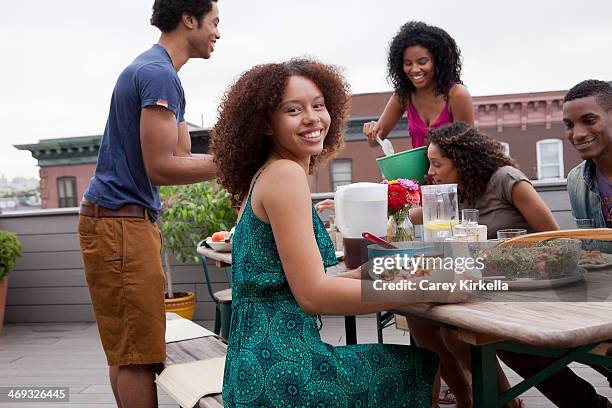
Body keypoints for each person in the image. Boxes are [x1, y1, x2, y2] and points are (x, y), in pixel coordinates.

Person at [210, 58, 476, 407]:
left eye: (318, 105)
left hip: (251, 370)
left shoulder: (263, 175)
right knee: (419, 364)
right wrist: (426, 286)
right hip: (287, 373)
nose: (312, 118)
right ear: (266, 124)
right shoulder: (285, 175)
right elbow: (313, 296)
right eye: (293, 109)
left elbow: (291, 283)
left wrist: (378, 270)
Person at [77, 1, 220, 407]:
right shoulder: (157, 73)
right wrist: (235, 163)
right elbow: (161, 166)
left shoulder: (159, 73)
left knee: (127, 350)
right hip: (121, 225)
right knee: (140, 356)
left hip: (117, 223)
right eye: (214, 22)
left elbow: (180, 151)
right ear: (189, 19)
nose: (218, 33)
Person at [363, 21, 474, 150]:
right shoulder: (403, 96)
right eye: (408, 63)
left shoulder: (457, 95)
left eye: (422, 62)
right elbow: (375, 142)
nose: (415, 69)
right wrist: (372, 130)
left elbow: (469, 150)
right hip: (418, 171)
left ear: (438, 61)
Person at [564, 79, 612, 253]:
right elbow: (590, 255)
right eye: (569, 125)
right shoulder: (576, 181)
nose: (577, 134)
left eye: (589, 120)